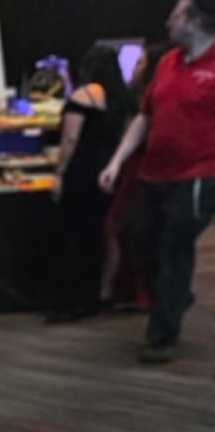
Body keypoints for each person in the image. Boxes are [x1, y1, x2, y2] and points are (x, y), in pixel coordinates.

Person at [100, 0, 215, 360]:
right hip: (153, 172)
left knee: (173, 246)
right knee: (134, 236)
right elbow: (144, 117)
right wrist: (117, 161)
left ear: (195, 21)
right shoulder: (166, 62)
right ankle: (173, 297)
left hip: (197, 174)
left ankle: (161, 335)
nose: (168, 21)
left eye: (176, 15)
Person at [46, 46, 131, 325]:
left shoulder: (84, 95)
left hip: (81, 170)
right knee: (96, 235)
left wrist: (60, 172)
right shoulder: (121, 98)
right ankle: (93, 295)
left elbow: (70, 139)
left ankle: (70, 300)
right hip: (106, 170)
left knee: (73, 236)